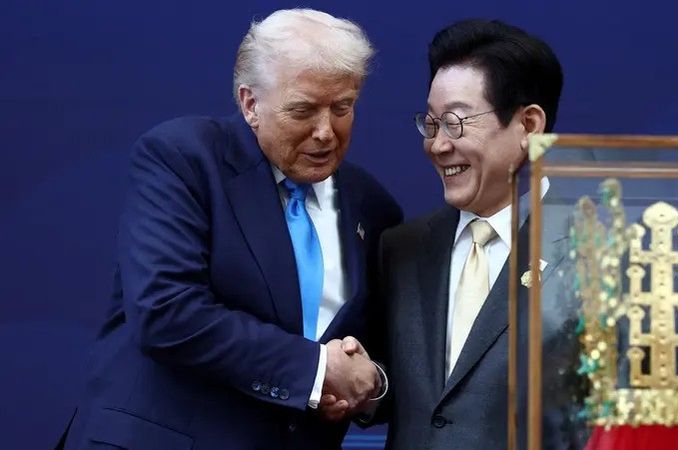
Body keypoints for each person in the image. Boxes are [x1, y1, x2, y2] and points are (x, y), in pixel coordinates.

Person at [59, 8, 402, 450]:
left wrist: (369, 385)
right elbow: (166, 310)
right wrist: (315, 370)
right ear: (249, 103)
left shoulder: (371, 207)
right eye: (303, 109)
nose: (325, 132)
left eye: (343, 107)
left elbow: (383, 355)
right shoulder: (184, 159)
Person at [376, 19, 582, 449]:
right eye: (430, 124)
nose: (437, 145)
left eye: (455, 122)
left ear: (528, 125)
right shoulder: (402, 248)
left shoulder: (592, 249)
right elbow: (391, 396)